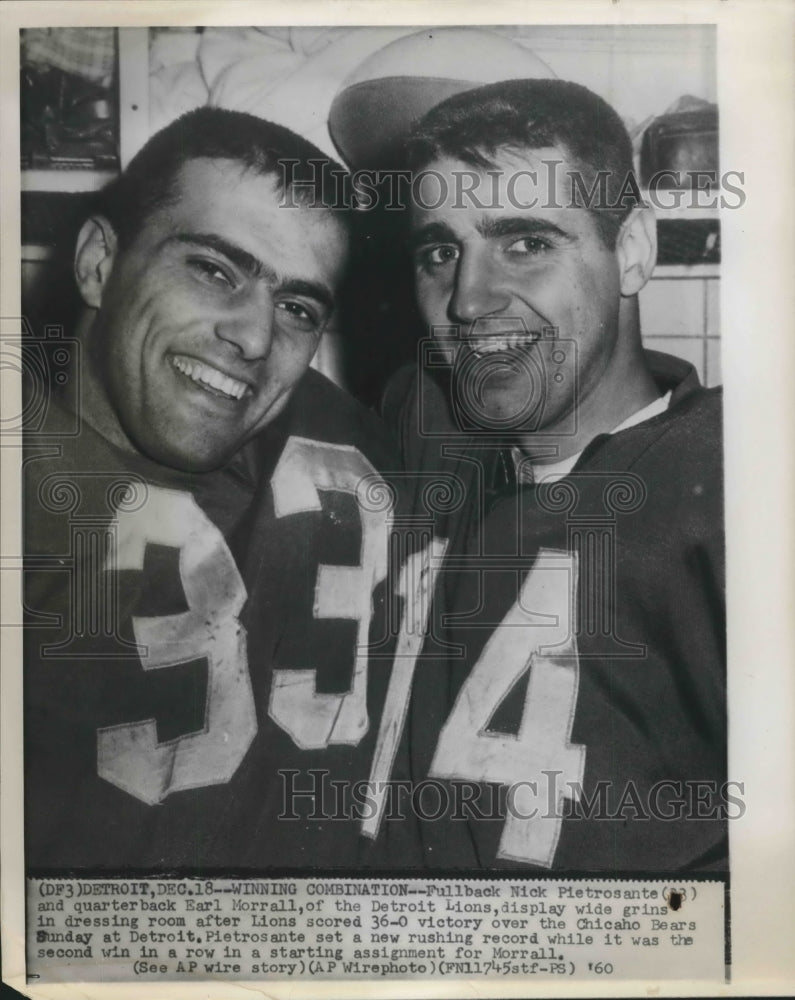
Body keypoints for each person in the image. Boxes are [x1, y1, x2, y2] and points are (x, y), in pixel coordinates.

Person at [22, 107, 416, 872]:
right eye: (213, 269)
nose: (255, 337)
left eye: (297, 308)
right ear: (100, 263)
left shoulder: (334, 432)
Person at [374, 79, 727, 872]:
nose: (466, 300)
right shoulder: (433, 431)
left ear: (631, 249)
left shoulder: (727, 478)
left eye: (525, 243)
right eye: (439, 252)